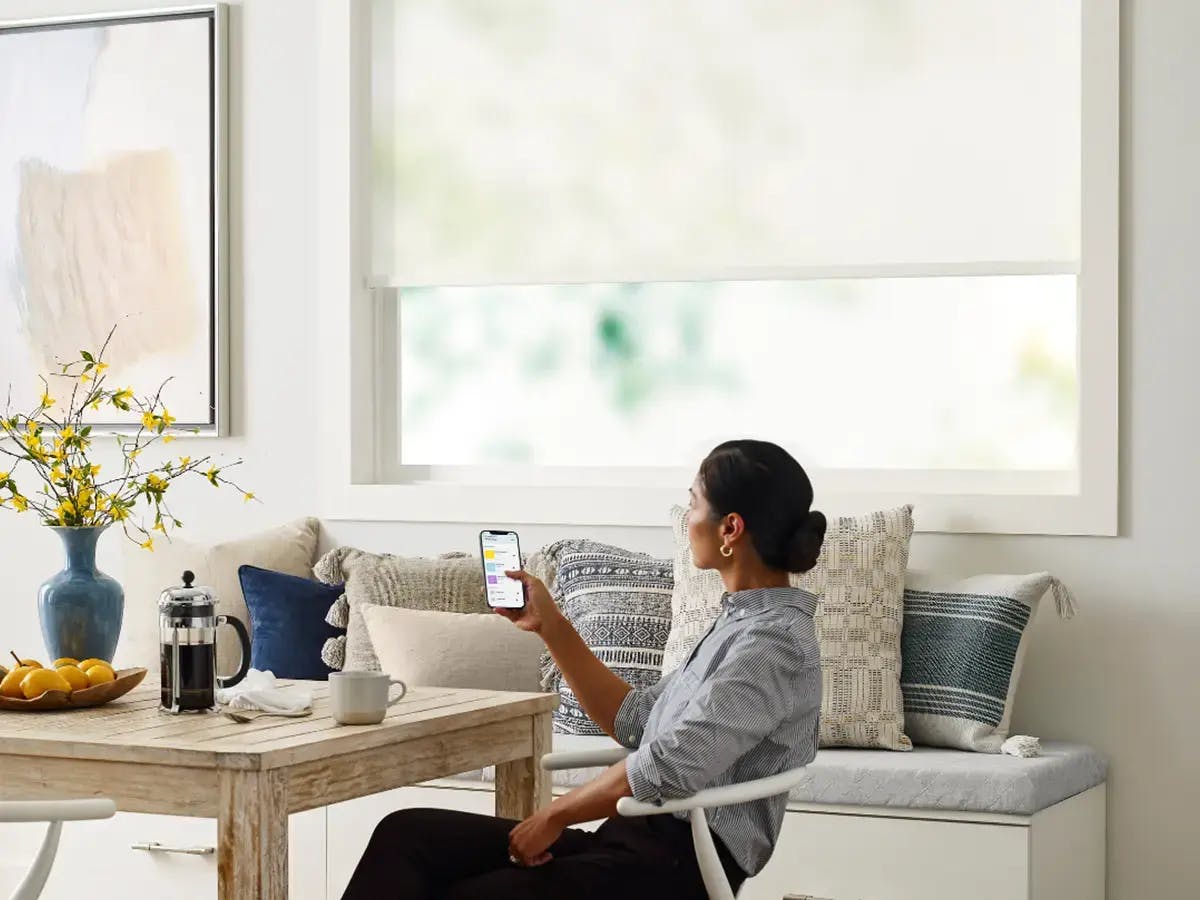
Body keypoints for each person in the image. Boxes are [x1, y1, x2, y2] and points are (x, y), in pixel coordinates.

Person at [342, 439, 826, 900]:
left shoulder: (773, 642)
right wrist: (550, 625)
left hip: (676, 869)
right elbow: (636, 719)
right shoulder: (739, 620)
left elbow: (673, 765)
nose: (687, 519)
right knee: (406, 835)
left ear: (730, 529)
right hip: (627, 841)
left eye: (694, 503)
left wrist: (556, 815)